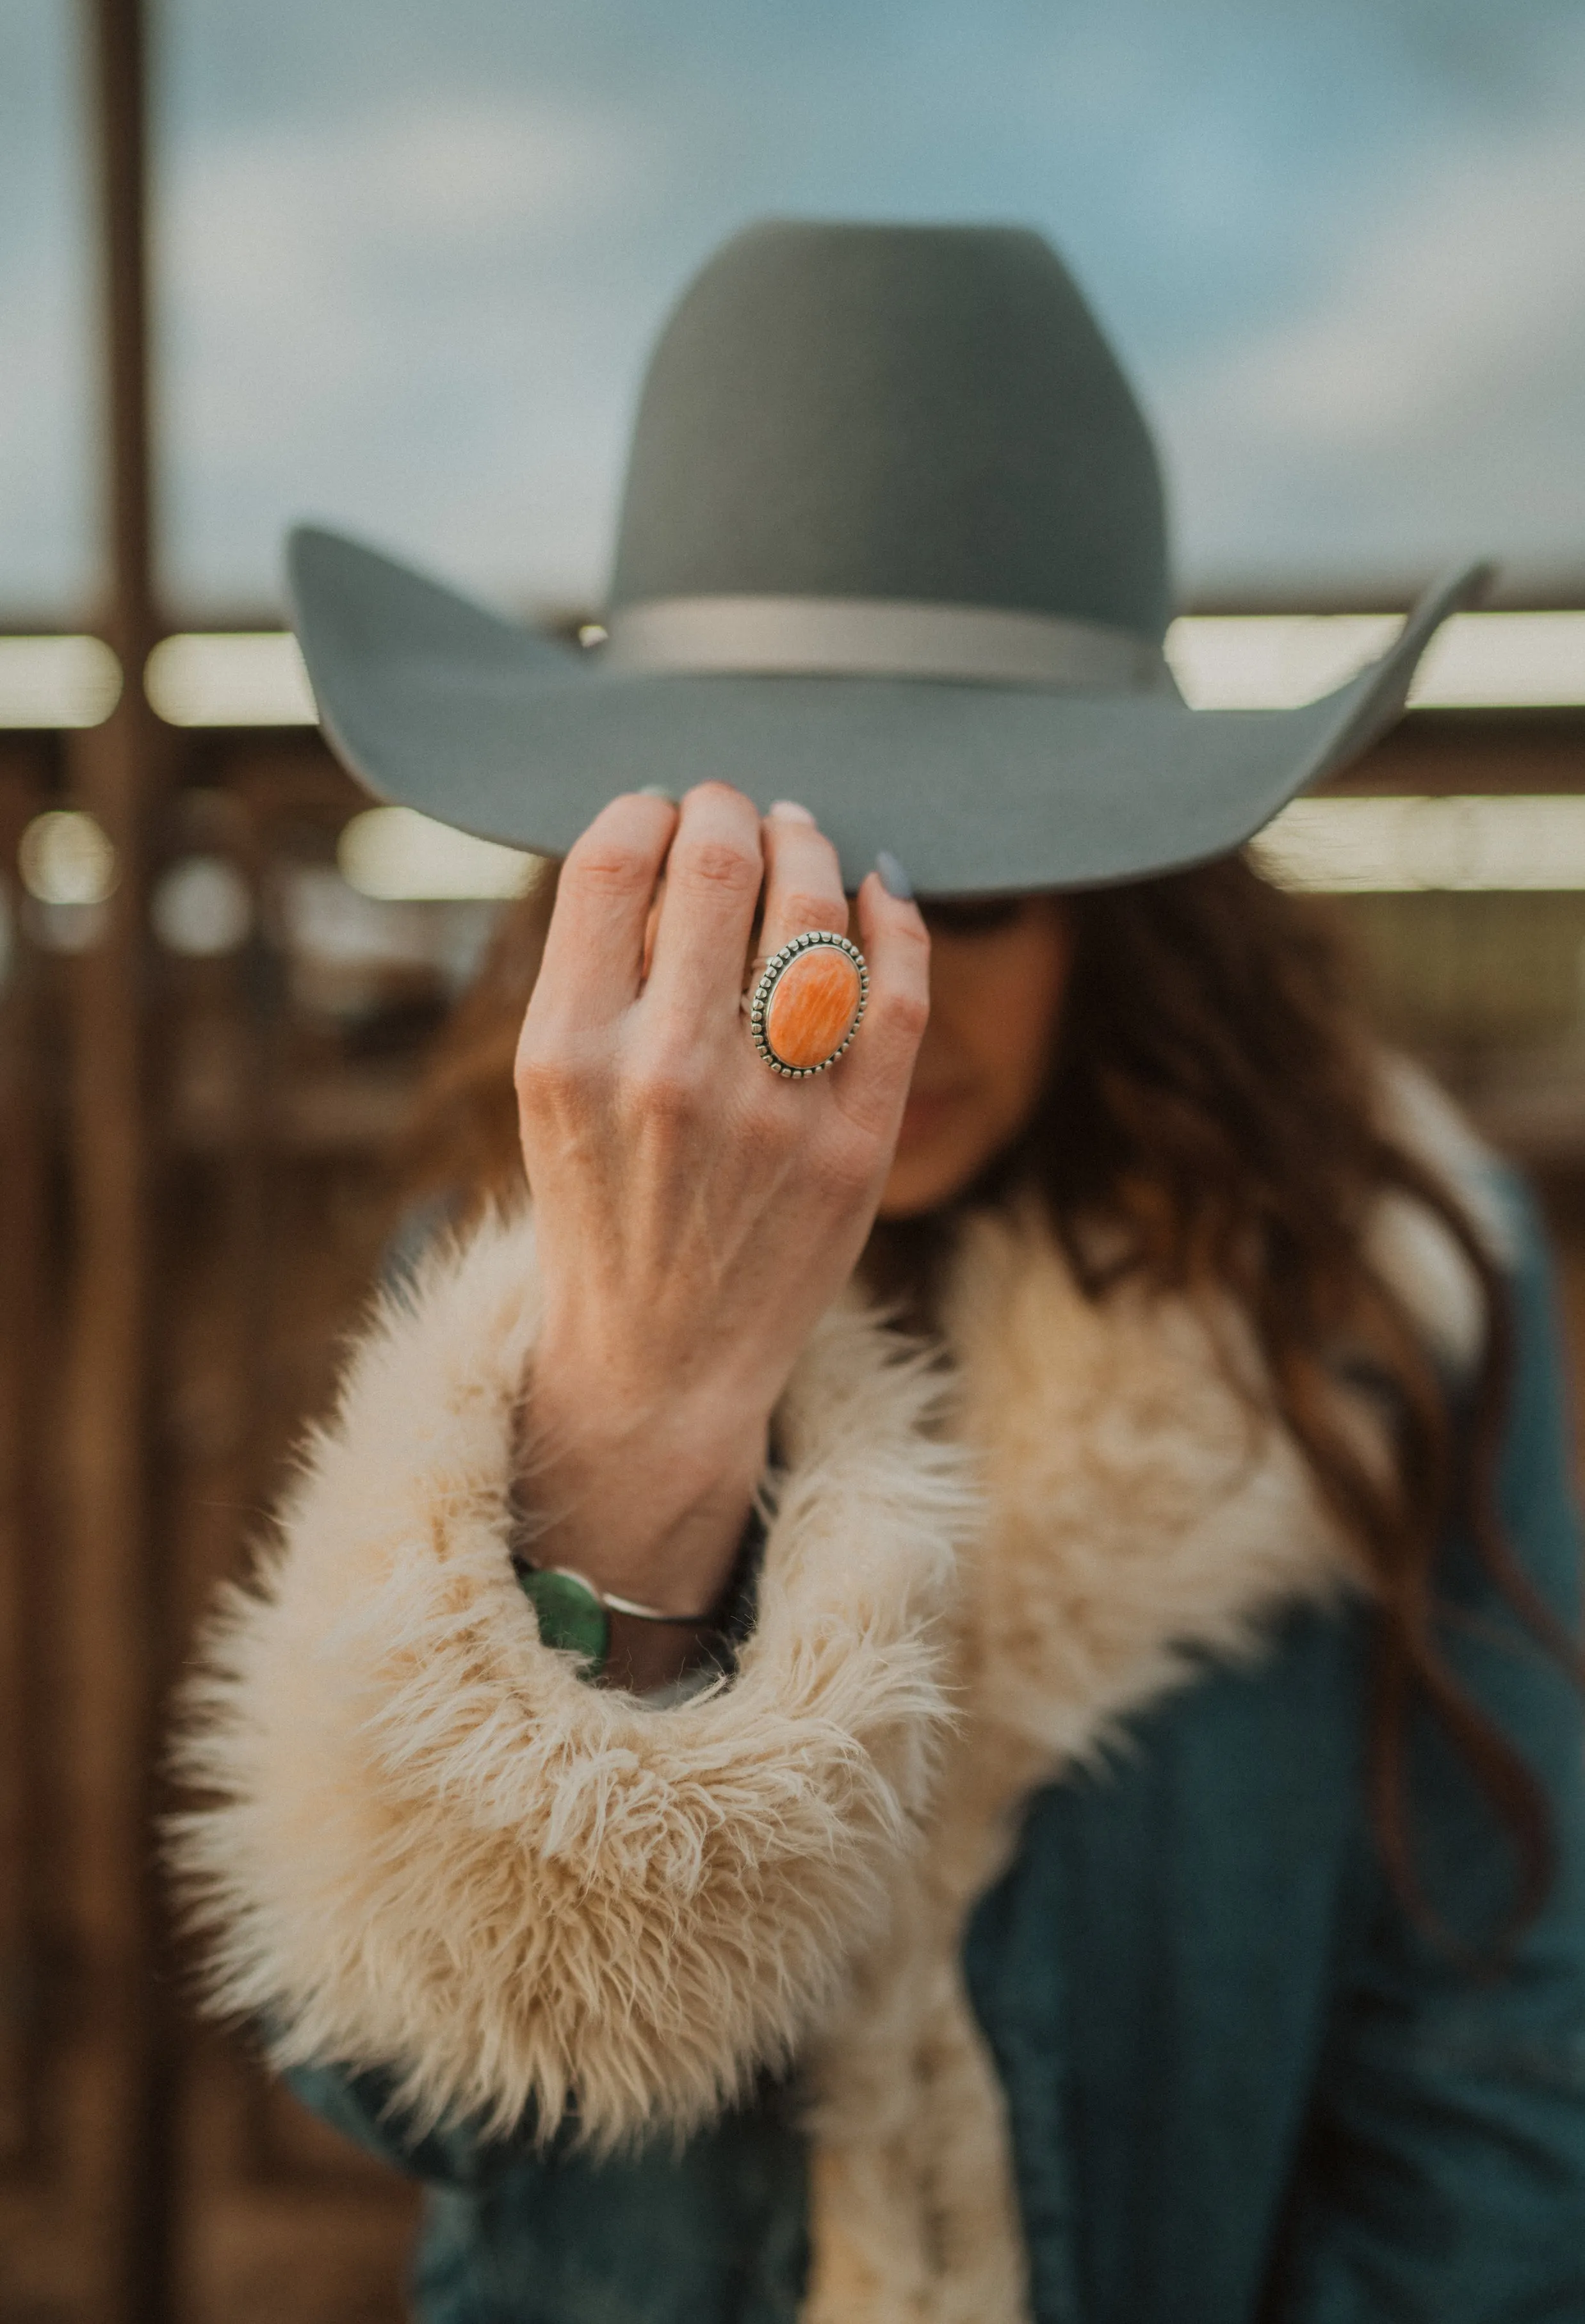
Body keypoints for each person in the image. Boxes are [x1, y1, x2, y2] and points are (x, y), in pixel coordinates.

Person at [170, 222, 1585, 2323]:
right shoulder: (489, 1296)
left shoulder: (1388, 1297)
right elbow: (397, 2079)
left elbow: (1498, 2039)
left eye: (973, 881)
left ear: (1133, 900)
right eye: (777, 883)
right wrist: (633, 1409)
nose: (852, 1004)